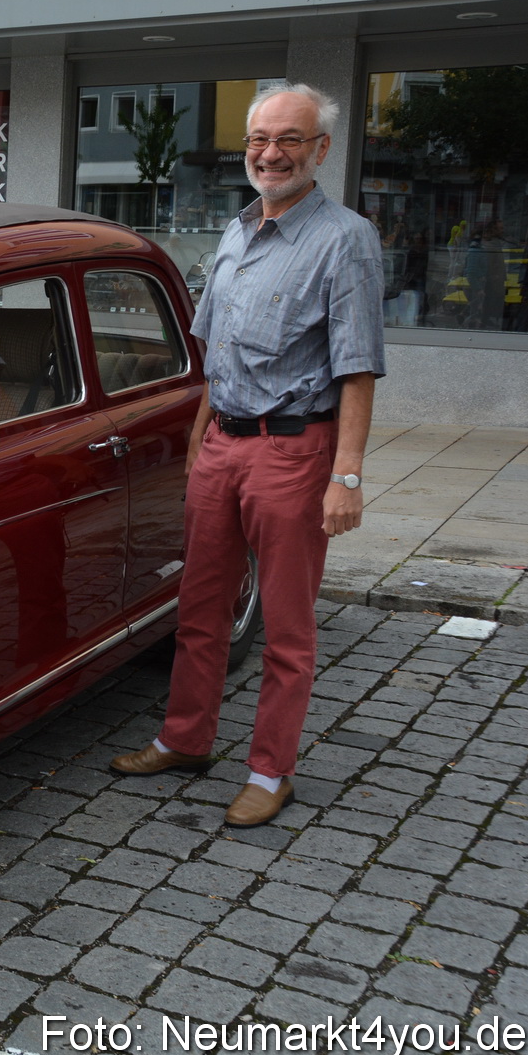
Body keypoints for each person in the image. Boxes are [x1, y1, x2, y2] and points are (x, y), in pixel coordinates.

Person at [110, 82, 387, 827]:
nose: (270, 153)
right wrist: (202, 431)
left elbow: (357, 367)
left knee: (286, 627)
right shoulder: (234, 233)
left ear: (319, 149)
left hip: (294, 450)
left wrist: (348, 476)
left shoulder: (344, 239)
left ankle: (270, 771)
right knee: (200, 607)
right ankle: (186, 738)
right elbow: (216, 353)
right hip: (224, 444)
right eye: (259, 139)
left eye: (288, 139)